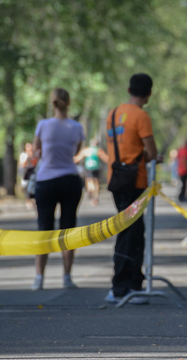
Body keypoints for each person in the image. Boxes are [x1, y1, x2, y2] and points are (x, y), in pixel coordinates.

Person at [104, 73, 160, 305]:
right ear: (148, 94)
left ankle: (131, 281)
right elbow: (151, 152)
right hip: (135, 181)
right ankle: (123, 287)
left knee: (129, 231)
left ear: (128, 89)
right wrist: (153, 156)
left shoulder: (113, 114)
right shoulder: (141, 116)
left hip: (116, 178)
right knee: (131, 234)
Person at [31, 88, 85, 291]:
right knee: (68, 228)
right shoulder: (76, 127)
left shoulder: (43, 125)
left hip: (46, 181)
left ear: (52, 103)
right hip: (70, 180)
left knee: (43, 229)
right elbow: (77, 151)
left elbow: (37, 151)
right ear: (68, 102)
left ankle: (39, 277)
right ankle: (67, 276)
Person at [74, 139, 108, 206]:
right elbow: (105, 158)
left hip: (88, 167)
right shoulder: (98, 150)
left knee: (89, 180)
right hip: (96, 168)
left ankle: (90, 191)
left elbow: (78, 158)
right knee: (96, 181)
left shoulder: (86, 150)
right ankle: (95, 196)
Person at [18, 142, 38, 209]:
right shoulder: (23, 155)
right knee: (26, 187)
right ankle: (28, 201)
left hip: (33, 173)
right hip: (26, 173)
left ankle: (33, 200)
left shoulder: (34, 155)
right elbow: (22, 164)